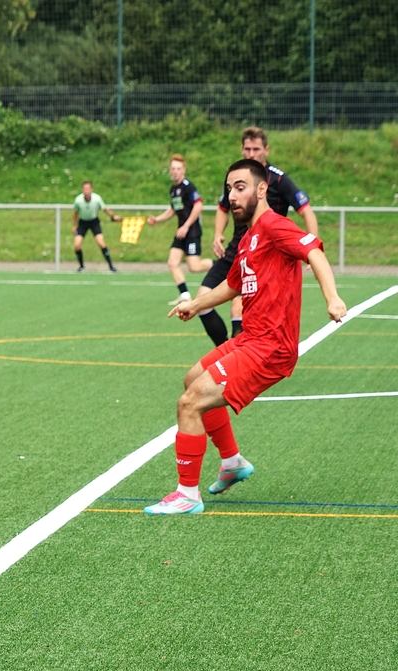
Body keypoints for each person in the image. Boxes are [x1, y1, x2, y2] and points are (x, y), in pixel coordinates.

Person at [144, 159, 346, 515]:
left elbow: (313, 251)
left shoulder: (274, 225)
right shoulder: (249, 238)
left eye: (240, 188)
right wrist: (195, 304)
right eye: (229, 190)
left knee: (189, 403)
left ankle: (187, 495)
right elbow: (232, 285)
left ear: (262, 190)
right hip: (250, 338)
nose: (232, 197)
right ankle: (232, 462)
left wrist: (333, 298)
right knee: (192, 379)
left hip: (270, 347)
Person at [197, 127, 318, 346]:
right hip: (235, 251)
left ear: (266, 150)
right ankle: (225, 351)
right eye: (247, 149)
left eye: (256, 149)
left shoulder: (279, 180)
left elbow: (306, 210)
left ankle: (236, 357)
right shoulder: (236, 178)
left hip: (262, 256)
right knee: (201, 301)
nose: (251, 154)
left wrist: (311, 246)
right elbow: (222, 208)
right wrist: (217, 235)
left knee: (238, 306)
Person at [146, 155, 212, 305]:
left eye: (178, 168)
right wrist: (157, 219)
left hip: (192, 231)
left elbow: (198, 206)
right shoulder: (173, 189)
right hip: (181, 233)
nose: (175, 171)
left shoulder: (188, 186)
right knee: (172, 262)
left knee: (194, 267)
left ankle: (221, 265)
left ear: (184, 170)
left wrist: (186, 226)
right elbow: (173, 209)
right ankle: (185, 295)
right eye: (173, 169)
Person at [71, 181, 120, 272]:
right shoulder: (78, 200)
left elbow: (104, 208)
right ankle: (81, 266)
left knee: (101, 243)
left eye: (88, 189)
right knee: (77, 245)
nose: (86, 191)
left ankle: (111, 266)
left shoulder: (97, 199)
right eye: (85, 189)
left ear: (91, 190)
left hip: (94, 222)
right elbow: (75, 213)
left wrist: (113, 216)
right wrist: (74, 226)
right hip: (82, 223)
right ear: (82, 190)